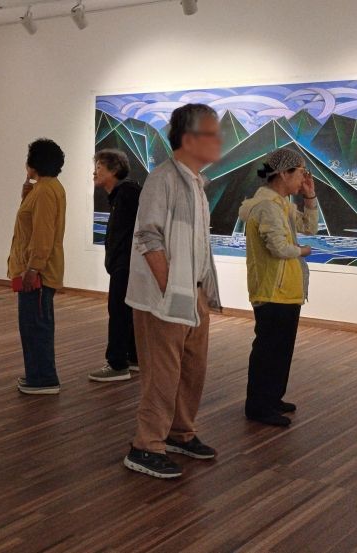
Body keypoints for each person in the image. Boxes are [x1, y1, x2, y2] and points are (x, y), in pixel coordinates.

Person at [122, 104, 224, 479]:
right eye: (211, 133)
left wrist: (202, 291)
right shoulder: (161, 179)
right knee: (162, 375)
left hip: (193, 294)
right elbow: (148, 237)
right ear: (189, 139)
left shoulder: (197, 184)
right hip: (163, 298)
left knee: (192, 370)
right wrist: (169, 289)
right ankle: (145, 445)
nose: (219, 141)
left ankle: (180, 433)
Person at [238, 147, 319, 427]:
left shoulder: (282, 204)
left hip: (286, 289)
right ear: (284, 173)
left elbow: (310, 227)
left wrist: (310, 196)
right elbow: (279, 248)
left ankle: (272, 398)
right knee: (268, 351)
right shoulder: (267, 207)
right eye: (301, 173)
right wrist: (303, 251)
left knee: (281, 350)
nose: (304, 178)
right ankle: (258, 406)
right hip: (272, 289)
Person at [7, 138, 68, 395]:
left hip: (37, 273)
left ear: (34, 163)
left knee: (35, 325)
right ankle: (39, 375)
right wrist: (26, 196)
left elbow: (43, 234)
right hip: (38, 269)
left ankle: (43, 378)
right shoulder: (48, 188)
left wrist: (33, 269)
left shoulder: (44, 191)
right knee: (35, 324)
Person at [88, 149, 142, 383]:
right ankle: (133, 357)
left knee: (119, 312)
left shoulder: (127, 194)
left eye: (99, 167)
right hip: (126, 263)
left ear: (114, 170)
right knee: (125, 312)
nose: (94, 172)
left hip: (126, 264)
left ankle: (117, 364)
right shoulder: (123, 195)